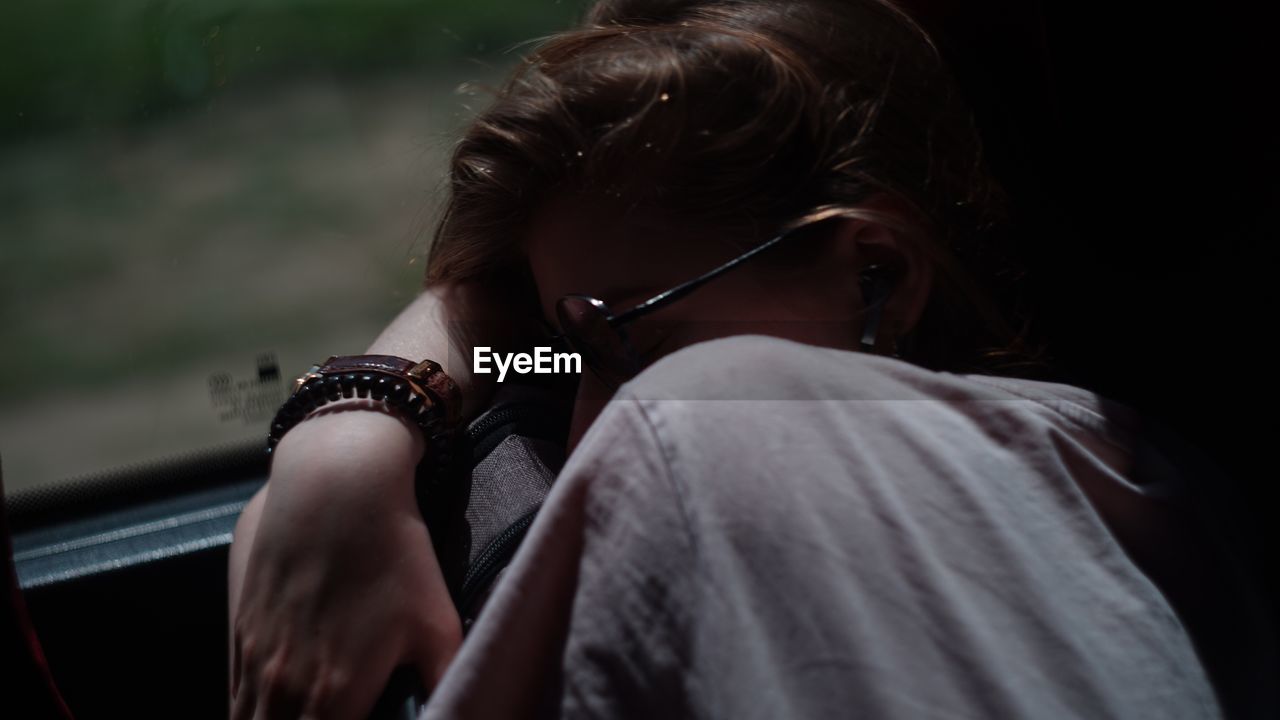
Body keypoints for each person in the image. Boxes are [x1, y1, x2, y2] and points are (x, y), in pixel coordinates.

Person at [227, 1, 1274, 718]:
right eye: (564, 347)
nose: (591, 426)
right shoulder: (1121, 490)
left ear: (878, 271)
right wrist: (349, 430)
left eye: (632, 336)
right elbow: (517, 361)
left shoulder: (715, 412)